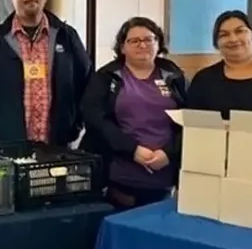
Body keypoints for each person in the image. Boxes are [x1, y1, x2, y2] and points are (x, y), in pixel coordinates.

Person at [0, 0, 91, 146]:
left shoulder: (67, 36)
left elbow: (86, 83)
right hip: (7, 148)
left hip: (58, 146)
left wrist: (74, 125)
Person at [80, 17, 187, 210]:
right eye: (134, 41)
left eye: (149, 39)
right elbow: (95, 119)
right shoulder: (106, 77)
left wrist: (168, 153)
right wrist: (133, 150)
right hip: (120, 178)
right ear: (122, 47)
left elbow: (189, 120)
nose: (142, 45)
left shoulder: (174, 75)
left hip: (165, 176)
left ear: (158, 43)